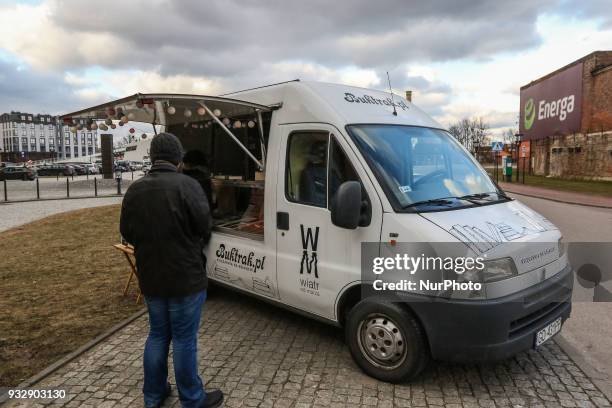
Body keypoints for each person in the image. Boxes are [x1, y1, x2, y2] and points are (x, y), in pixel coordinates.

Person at [120, 132, 223, 408]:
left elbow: (126, 231)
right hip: (185, 278)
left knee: (157, 335)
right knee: (183, 339)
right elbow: (204, 226)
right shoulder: (188, 186)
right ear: (178, 158)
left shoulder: (135, 189)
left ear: (152, 157)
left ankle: (153, 397)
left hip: (152, 277)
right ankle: (192, 399)